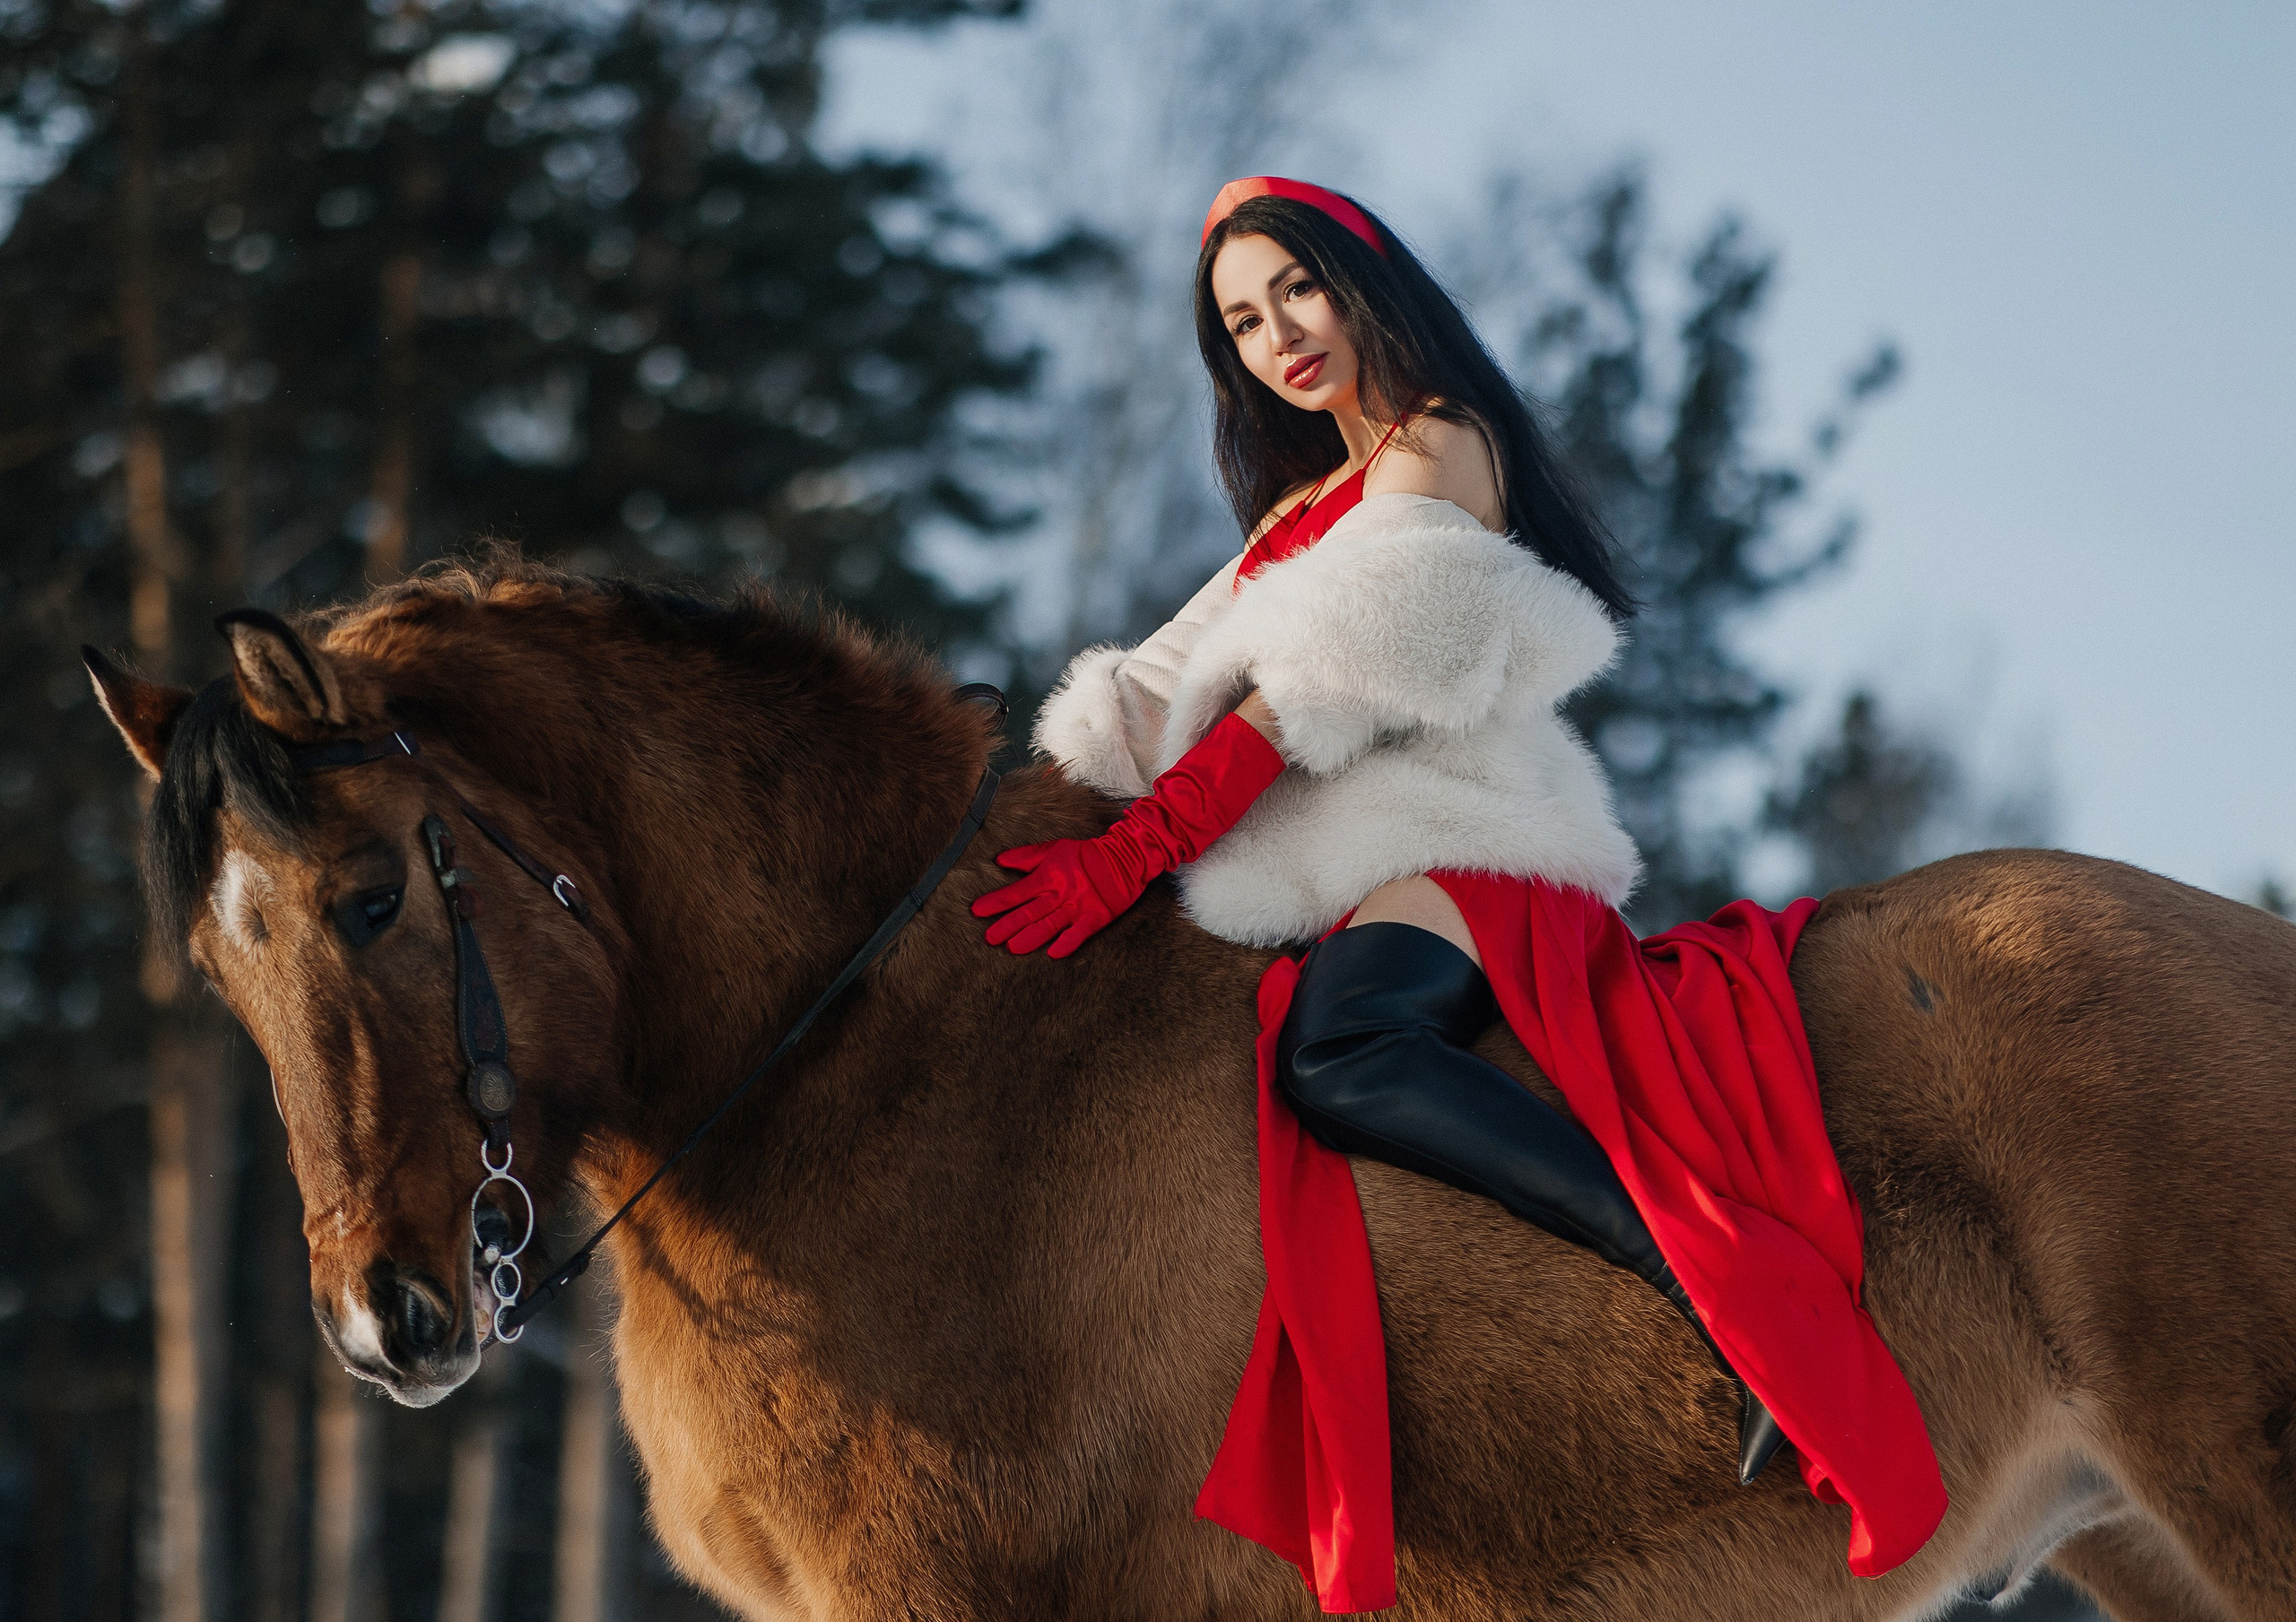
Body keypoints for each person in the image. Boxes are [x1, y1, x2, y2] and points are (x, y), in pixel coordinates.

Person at [973, 174, 1787, 1484]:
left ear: (1364, 280)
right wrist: (1001, 818)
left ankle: (1700, 1269)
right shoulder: (1298, 512)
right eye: (1240, 321)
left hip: (1465, 837)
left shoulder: (1437, 441)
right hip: (1348, 863)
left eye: (1296, 288)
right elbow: (1146, 688)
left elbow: (1315, 686)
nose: (1278, 334)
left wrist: (1132, 855)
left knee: (1340, 1044)